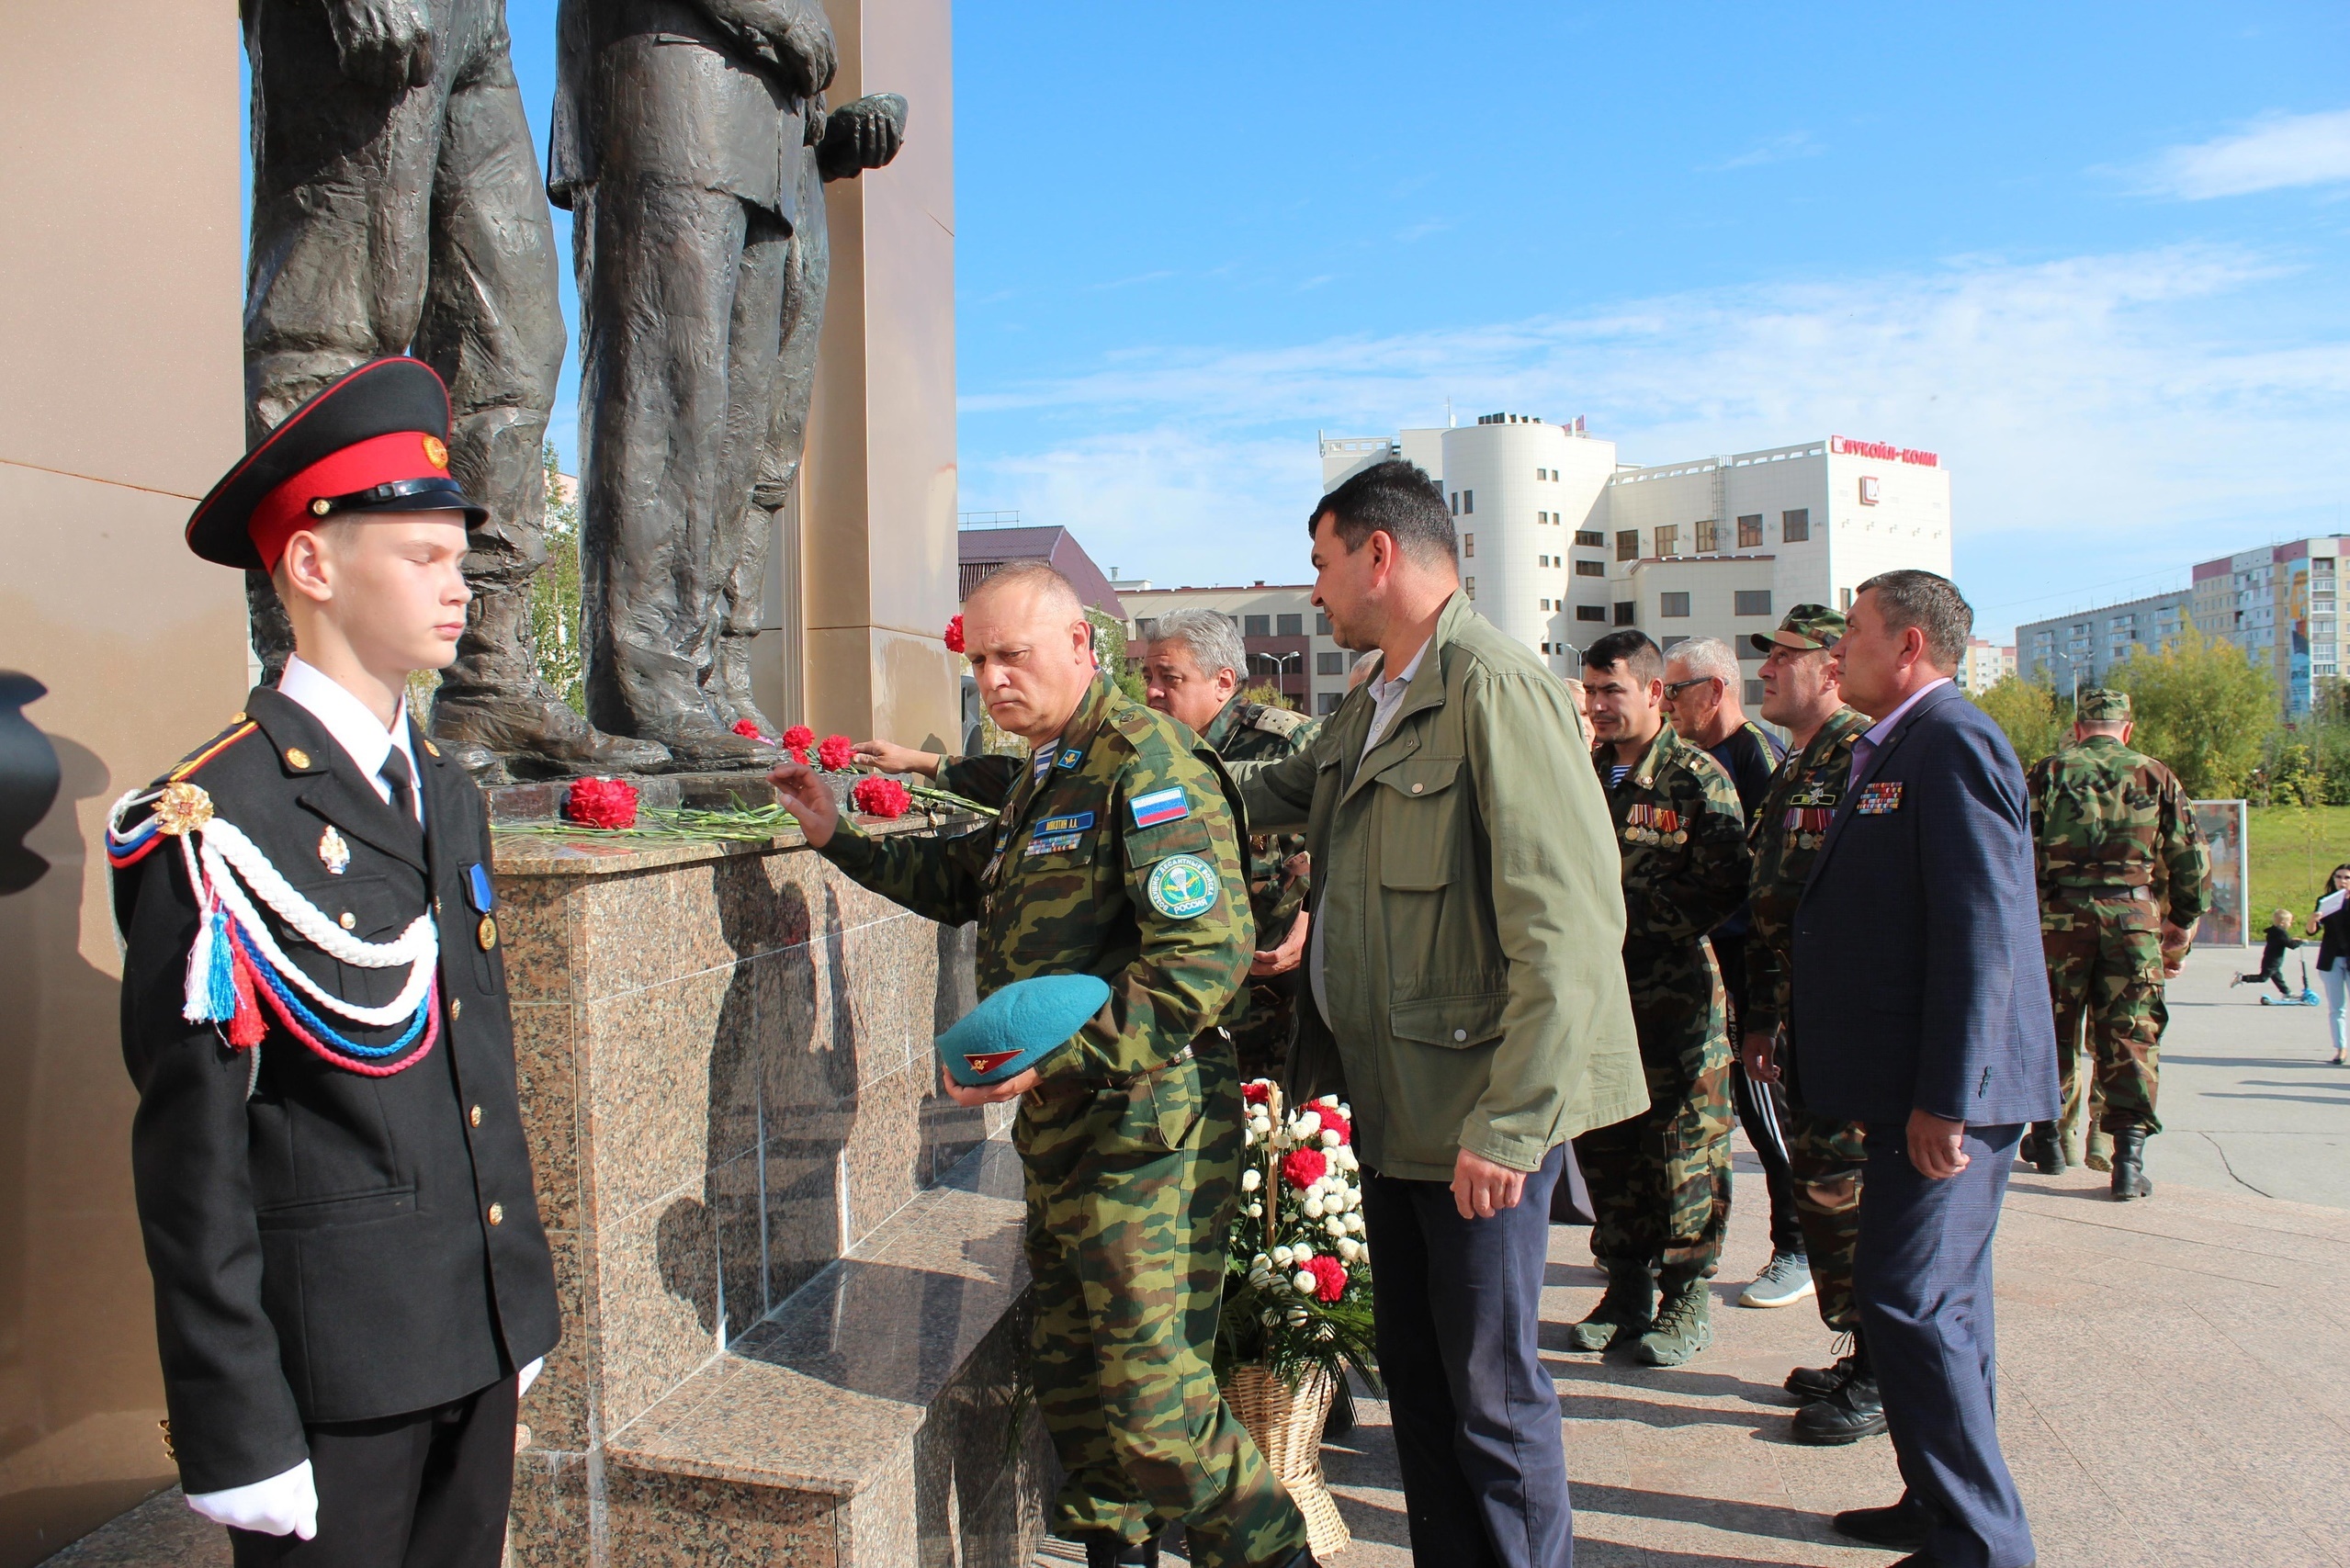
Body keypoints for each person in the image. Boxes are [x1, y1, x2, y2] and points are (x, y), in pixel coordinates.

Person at [767, 562, 1310, 1568]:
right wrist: (835, 836)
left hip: (1149, 1124)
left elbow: (1199, 958)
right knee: (1079, 1384)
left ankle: (1278, 1556)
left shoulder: (1148, 764)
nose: (991, 679)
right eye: (975, 660)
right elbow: (965, 878)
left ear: (1078, 646)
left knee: (1157, 1405)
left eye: (1010, 655)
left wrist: (1056, 1059)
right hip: (1068, 1125)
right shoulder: (1048, 771)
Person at [112, 358, 560, 1563]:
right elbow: (192, 1159)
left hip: (471, 1337)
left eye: (458, 559)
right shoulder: (213, 816)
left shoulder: (448, 793)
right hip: (333, 1380)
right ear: (312, 565)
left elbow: (479, 1071)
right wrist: (237, 1426)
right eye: (422, 556)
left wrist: (514, 1308)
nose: (457, 587)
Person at [1230, 460, 1643, 1568]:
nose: (1314, 591)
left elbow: (1563, 923)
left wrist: (1511, 1124)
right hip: (1395, 1108)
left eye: (1320, 564)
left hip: (1476, 1121)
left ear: (1378, 554)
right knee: (1421, 1391)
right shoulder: (1373, 698)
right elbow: (1251, 792)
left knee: (1492, 1401)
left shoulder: (1490, 686)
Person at [240, 0, 663, 778]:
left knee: (512, 338)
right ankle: (308, 681)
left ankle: (490, 681)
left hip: (481, 21)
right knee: (334, 313)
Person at [1795, 570, 2056, 1568]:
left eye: (1852, 632)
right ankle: (1934, 1499)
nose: (1834, 651)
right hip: (1914, 1085)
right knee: (1944, 1304)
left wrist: (1947, 1097)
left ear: (1907, 645)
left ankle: (1980, 1544)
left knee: (1905, 1298)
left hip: (1952, 1093)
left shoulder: (1951, 739)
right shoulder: (1899, 742)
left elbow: (1982, 931)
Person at [1572, 632, 1748, 1368]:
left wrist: (1626, 922)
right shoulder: (1582, 774)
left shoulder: (1695, 778)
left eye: (1612, 690)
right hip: (1597, 997)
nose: (1598, 706)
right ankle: (1625, 1287)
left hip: (1674, 999)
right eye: (1590, 691)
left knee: (1683, 1148)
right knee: (1607, 1142)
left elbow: (1723, 884)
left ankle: (1686, 1296)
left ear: (1653, 692)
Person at [1738, 605, 1881, 1444]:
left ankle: (1883, 1368)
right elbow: (1771, 902)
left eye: (1783, 658)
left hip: (1848, 1023)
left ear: (1829, 668)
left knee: (1850, 1196)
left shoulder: (1866, 755)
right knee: (1821, 1192)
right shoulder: (1799, 763)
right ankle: (1862, 1347)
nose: (1767, 671)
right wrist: (1761, 1015)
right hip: (1797, 1020)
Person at [2020, 687, 2209, 1199]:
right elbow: (2189, 858)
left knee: (2049, 1028)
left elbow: (2016, 849)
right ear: (2127, 729)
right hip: (2133, 917)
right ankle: (2127, 1159)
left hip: (2055, 920)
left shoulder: (2047, 773)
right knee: (2130, 1035)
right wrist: (2181, 921)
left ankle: (2047, 1141)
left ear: (2079, 727)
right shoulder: (2156, 773)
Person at [1664, 637, 1806, 1310]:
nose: (1667, 704)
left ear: (1715, 690)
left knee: (1766, 1108)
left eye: (1676, 690)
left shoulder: (1759, 761)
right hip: (1708, 966)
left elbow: (1764, 884)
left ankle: (1797, 1243)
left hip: (1752, 968)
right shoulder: (1690, 761)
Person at [1133, 610, 1316, 1078]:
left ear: (1223, 681)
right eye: (1148, 676)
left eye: (1169, 678)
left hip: (1275, 1003)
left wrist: (1312, 921)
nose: (1152, 691)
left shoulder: (1285, 744)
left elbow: (1355, 844)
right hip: (1178, 998)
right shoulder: (1144, 752)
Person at [2308, 864, 2350, 1066]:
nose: (2342, 880)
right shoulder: (2326, 901)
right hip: (2331, 958)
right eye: (2339, 877)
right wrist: (2313, 920)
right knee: (2337, 1007)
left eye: (2347, 877)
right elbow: (2312, 931)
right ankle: (2341, 1048)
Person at [2232, 909, 2303, 997]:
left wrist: (2292, 940)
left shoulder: (2273, 931)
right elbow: (2290, 945)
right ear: (2282, 923)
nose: (2290, 924)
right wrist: (2301, 942)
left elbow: (2283, 941)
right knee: (2263, 978)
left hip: (2269, 958)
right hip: (2273, 960)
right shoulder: (2281, 933)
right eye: (2289, 922)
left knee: (2278, 977)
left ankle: (2286, 992)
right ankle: (2241, 978)